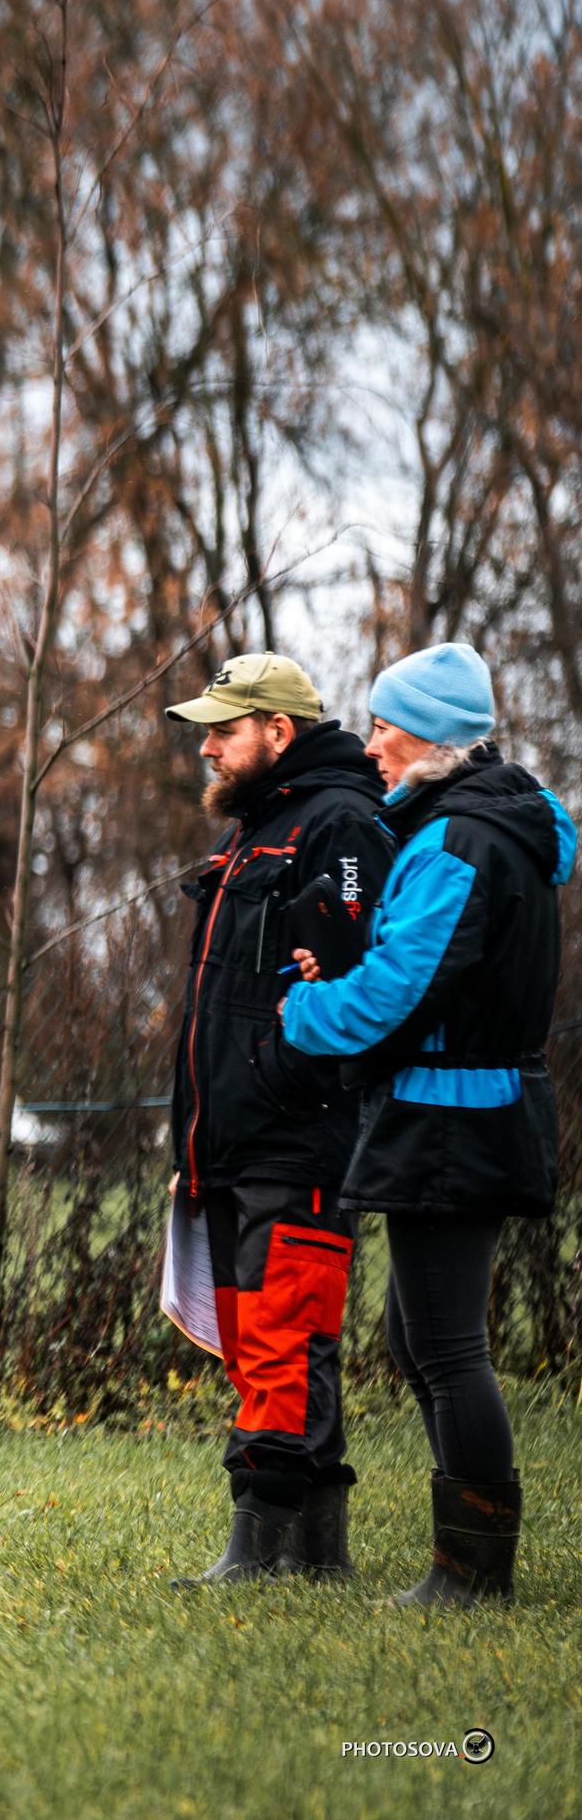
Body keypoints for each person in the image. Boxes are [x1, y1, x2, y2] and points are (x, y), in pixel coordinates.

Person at [282, 641, 569, 1606]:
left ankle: (474, 1571)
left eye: (384, 727)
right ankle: (466, 1553)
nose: (371, 747)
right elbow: (431, 971)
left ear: (433, 737)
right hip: (459, 1110)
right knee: (419, 1341)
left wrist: (304, 1014)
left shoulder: (456, 844)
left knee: (446, 1348)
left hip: (454, 1117)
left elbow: (399, 996)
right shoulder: (479, 829)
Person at [159, 654, 395, 1586]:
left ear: (278, 733)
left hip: (297, 1131)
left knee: (283, 1335)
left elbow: (349, 987)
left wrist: (280, 1078)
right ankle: (316, 1553)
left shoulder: (338, 824)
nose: (208, 746)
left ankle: (258, 1551)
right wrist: (194, 1137)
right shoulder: (260, 827)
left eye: (224, 728)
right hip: (232, 1137)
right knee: (270, 1332)